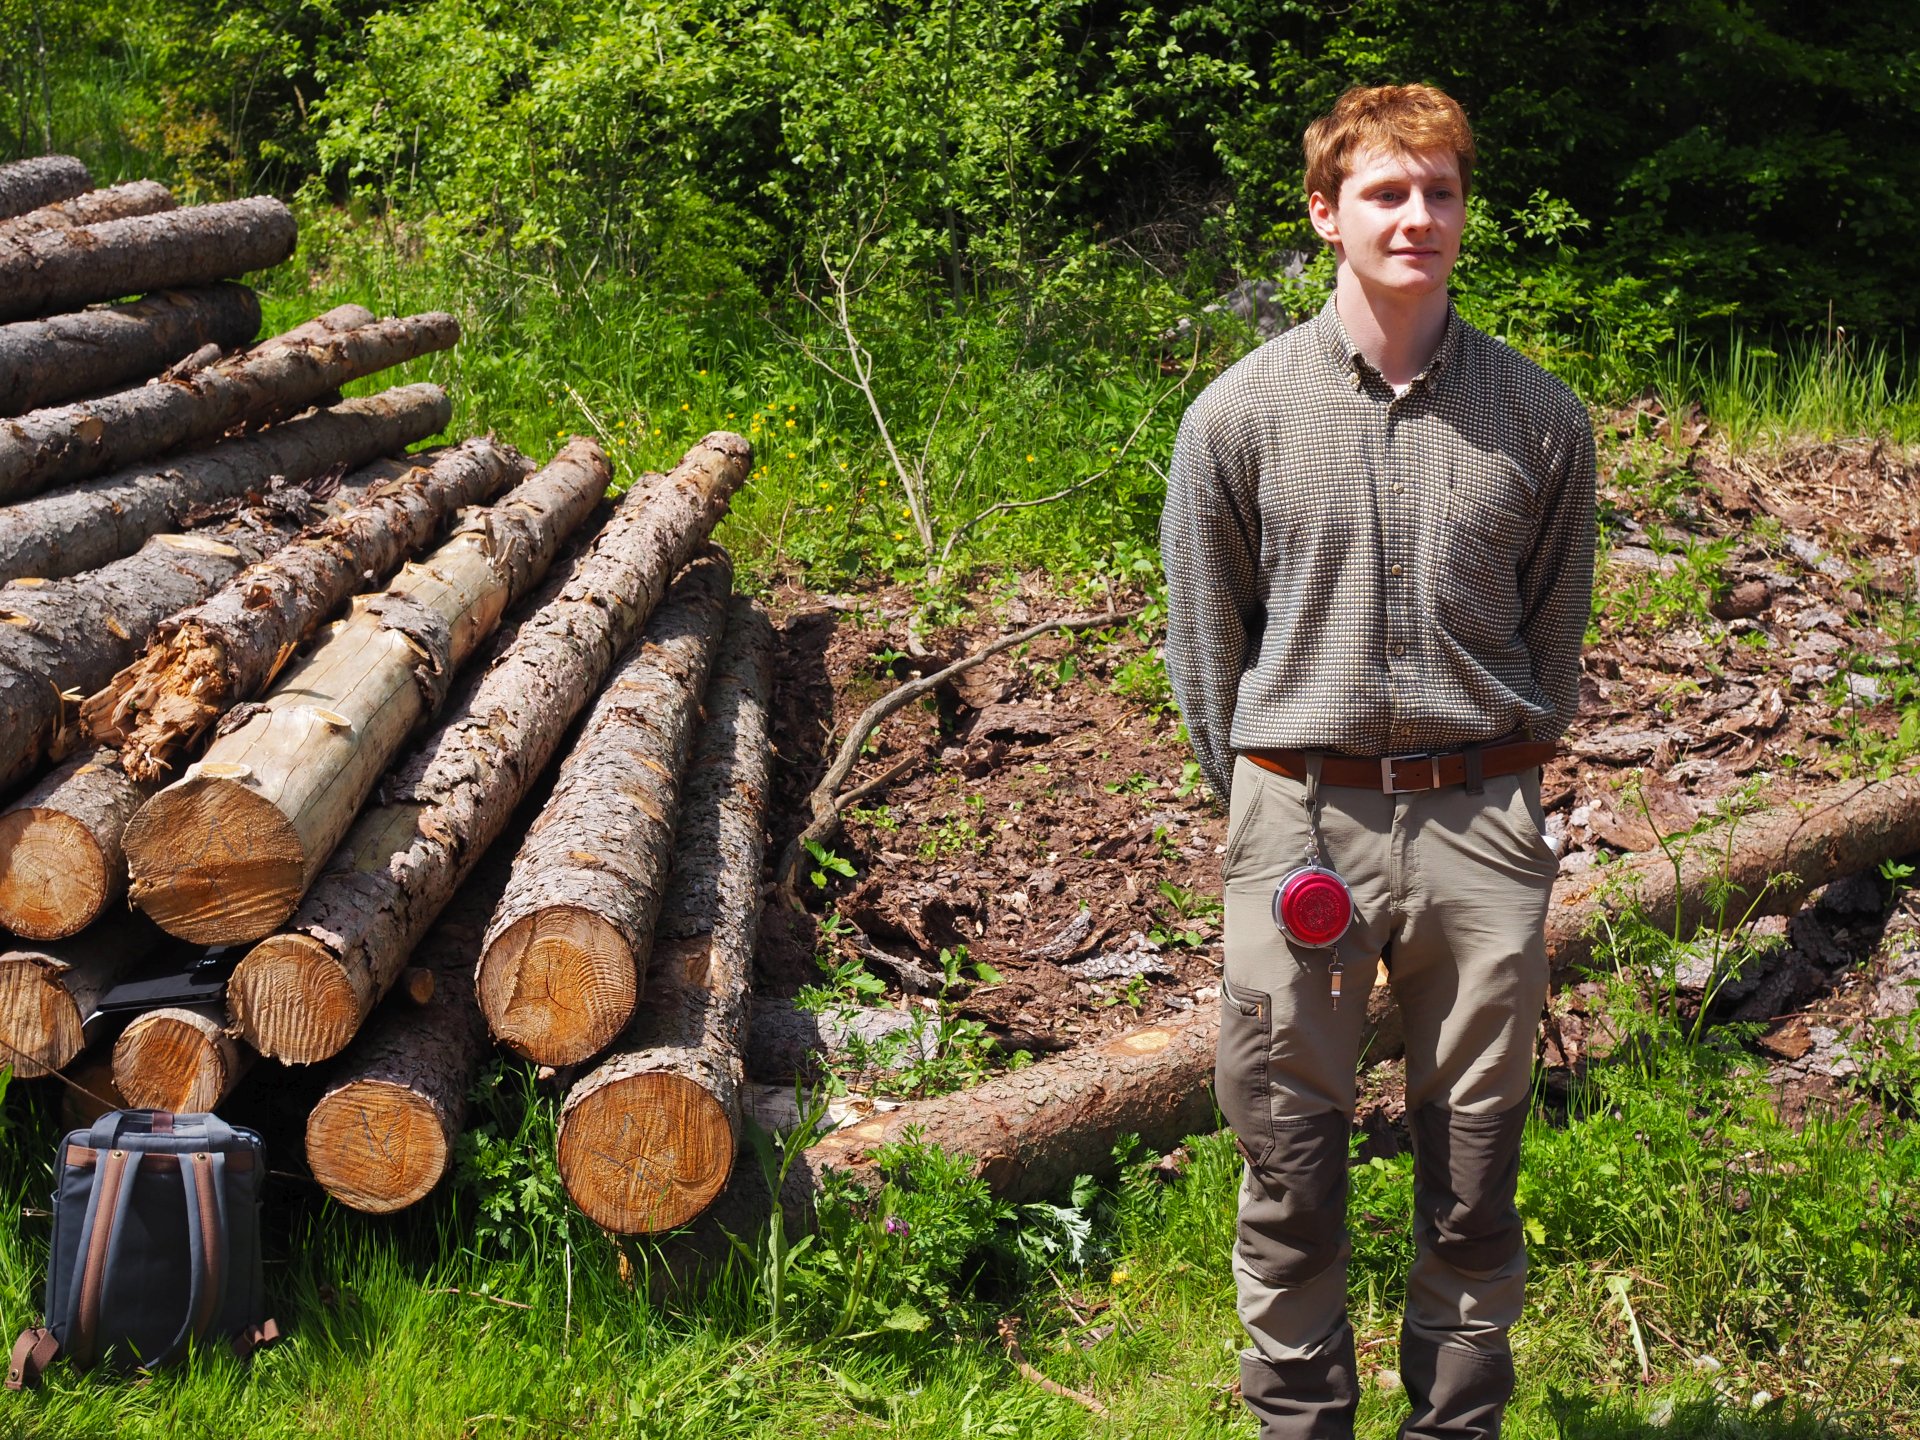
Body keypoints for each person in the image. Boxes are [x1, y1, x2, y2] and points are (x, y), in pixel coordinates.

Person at [1160, 83, 1596, 1440]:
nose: (1417, 217)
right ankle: (1303, 1424)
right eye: (1386, 192)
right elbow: (1206, 650)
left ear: (1465, 209)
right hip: (1299, 824)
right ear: (1326, 213)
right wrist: (1266, 807)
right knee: (1289, 1165)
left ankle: (1454, 1425)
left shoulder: (1542, 420)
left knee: (1475, 1166)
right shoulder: (1237, 417)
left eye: (1440, 191)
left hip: (1483, 829)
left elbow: (1554, 636)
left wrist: (1507, 792)